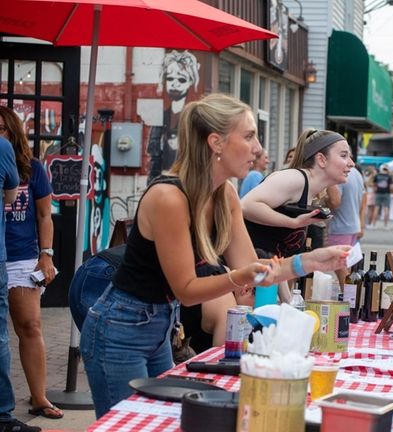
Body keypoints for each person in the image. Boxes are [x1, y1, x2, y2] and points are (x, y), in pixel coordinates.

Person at [80, 94, 350, 418]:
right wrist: (241, 277)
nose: (259, 149)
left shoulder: (226, 194)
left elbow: (260, 271)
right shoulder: (169, 196)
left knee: (163, 422)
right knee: (129, 425)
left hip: (159, 325)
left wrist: (307, 262)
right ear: (216, 143)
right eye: (249, 136)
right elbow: (188, 290)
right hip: (119, 325)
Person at [0, 107, 61, 420]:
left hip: (23, 258)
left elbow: (43, 215)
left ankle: (39, 397)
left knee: (30, 326)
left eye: (2, 129)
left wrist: (46, 254)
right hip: (1, 255)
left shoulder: (32, 168)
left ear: (13, 132)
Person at [241, 129, 355, 258]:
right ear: (322, 160)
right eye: (344, 155)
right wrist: (293, 222)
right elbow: (246, 206)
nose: (352, 163)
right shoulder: (295, 179)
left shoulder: (311, 189)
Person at [0, 132, 33, 432]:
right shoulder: (2, 147)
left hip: (10, 254)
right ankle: (1, 415)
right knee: (0, 335)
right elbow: (10, 195)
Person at [148, 50, 200, 184]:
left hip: (186, 185)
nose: (174, 84)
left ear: (190, 82)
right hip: (163, 185)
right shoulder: (160, 119)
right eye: (170, 78)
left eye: (181, 79)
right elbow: (154, 160)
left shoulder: (194, 119)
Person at [328, 165, 365, 288]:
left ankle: (350, 300)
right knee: (346, 267)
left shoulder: (338, 171)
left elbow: (335, 202)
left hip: (340, 226)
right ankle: (352, 299)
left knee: (339, 265)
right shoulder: (356, 172)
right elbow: (364, 198)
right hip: (352, 225)